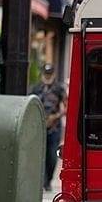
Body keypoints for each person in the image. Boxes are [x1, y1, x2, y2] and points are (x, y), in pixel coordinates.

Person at [32, 63, 67, 191]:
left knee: (52, 155)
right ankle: (43, 181)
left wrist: (56, 116)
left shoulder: (58, 89)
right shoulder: (36, 89)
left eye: (50, 74)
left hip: (54, 127)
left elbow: (67, 105)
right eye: (45, 74)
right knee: (40, 155)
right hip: (39, 126)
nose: (47, 77)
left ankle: (48, 180)